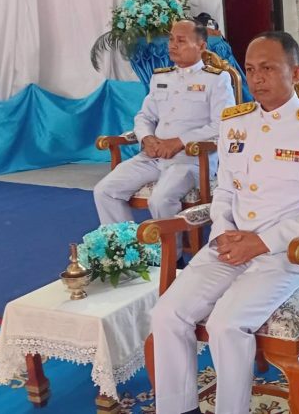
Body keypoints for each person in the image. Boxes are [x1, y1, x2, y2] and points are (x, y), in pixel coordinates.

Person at [150, 32, 299, 414]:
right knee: (166, 313)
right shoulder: (234, 122)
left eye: (268, 69)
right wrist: (224, 232)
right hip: (228, 245)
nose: (257, 78)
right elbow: (224, 190)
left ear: (297, 73)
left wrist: (261, 242)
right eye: (251, 69)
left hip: (284, 256)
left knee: (226, 325)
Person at [93, 20, 235, 256]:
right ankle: (127, 253)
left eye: (181, 41)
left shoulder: (216, 79)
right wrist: (146, 138)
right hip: (152, 156)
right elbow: (144, 116)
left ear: (201, 46)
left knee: (160, 199)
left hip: (191, 160)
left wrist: (179, 142)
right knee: (104, 190)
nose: (172, 45)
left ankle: (169, 258)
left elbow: (223, 124)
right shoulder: (161, 77)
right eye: (171, 39)